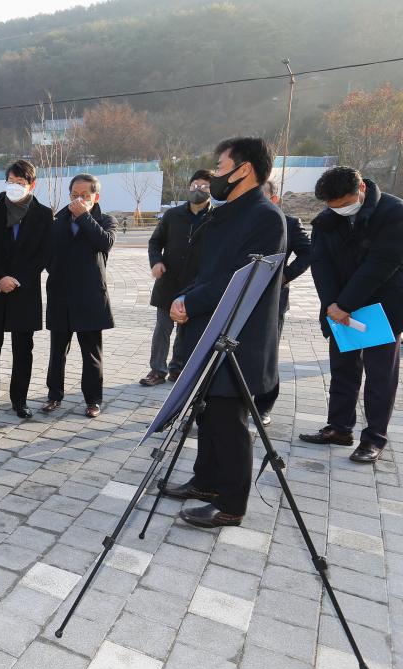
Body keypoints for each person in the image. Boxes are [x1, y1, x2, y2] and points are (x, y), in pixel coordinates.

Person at [165, 137, 287, 528]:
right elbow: (205, 272)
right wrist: (185, 296)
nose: (214, 175)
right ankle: (206, 483)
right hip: (210, 329)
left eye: (219, 167)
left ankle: (231, 504)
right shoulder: (228, 213)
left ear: (244, 169)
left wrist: (192, 302)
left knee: (228, 420)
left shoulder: (265, 218)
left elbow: (240, 280)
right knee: (207, 414)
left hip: (239, 339)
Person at [299, 166, 403, 463]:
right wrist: (331, 305)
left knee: (380, 375)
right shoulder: (327, 220)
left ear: (361, 189)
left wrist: (344, 304)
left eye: (344, 203)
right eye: (333, 206)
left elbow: (380, 264)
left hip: (384, 305)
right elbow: (321, 262)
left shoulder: (397, 213)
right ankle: (340, 428)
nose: (339, 210)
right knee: (343, 369)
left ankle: (374, 438)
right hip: (341, 307)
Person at [0, 160, 52, 419]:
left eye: (21, 183)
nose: (15, 187)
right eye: (11, 182)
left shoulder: (43, 214)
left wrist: (17, 279)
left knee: (23, 348)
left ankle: (20, 400)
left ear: (32, 184)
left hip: (24, 290)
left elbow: (42, 254)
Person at [44, 174, 118, 418]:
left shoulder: (106, 221)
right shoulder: (57, 221)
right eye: (75, 195)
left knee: (91, 353)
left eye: (85, 196)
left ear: (96, 197)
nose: (79, 199)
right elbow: (47, 256)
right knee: (57, 352)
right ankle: (54, 395)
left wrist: (85, 216)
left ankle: (93, 400)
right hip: (61, 295)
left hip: (90, 297)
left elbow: (104, 243)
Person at [140, 170, 213, 387]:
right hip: (168, 283)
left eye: (204, 186)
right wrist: (156, 262)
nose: (197, 190)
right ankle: (157, 370)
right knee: (163, 328)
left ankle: (177, 368)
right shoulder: (173, 215)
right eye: (194, 185)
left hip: (195, 286)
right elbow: (155, 242)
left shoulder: (215, 218)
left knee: (185, 329)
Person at [252, 179, 312, 424]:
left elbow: (309, 252)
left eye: (260, 194)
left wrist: (284, 276)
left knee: (266, 354)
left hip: (272, 300)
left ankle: (263, 406)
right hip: (237, 297)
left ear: (274, 198)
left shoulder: (289, 223)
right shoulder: (239, 222)